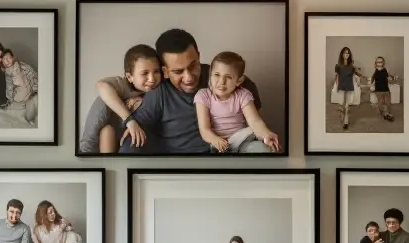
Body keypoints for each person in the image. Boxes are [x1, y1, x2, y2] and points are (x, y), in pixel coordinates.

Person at [118, 29, 267, 155]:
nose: (189, 77)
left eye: (193, 65)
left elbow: (248, 93)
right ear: (165, 71)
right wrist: (130, 122)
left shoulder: (219, 77)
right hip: (185, 167)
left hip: (230, 155)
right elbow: (138, 125)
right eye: (178, 71)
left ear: (198, 56)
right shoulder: (159, 91)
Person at [79, 44, 162, 154]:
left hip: (133, 142)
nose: (152, 79)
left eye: (156, 71)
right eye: (144, 73)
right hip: (107, 138)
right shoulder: (124, 85)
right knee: (106, 125)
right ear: (129, 77)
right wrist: (129, 120)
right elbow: (101, 85)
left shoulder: (158, 92)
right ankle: (87, 151)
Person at [194, 51, 280, 153]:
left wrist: (266, 134)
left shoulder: (243, 95)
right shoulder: (203, 96)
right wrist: (215, 140)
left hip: (242, 139)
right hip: (218, 144)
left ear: (238, 81)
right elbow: (204, 129)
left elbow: (255, 121)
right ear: (210, 75)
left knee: (263, 149)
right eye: (217, 75)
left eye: (229, 77)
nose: (222, 82)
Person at [2, 48, 39, 125]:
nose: (7, 60)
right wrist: (10, 100)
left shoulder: (23, 66)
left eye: (9, 58)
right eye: (5, 59)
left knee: (37, 102)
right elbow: (9, 90)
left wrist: (35, 90)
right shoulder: (7, 74)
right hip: (18, 101)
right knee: (13, 114)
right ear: (2, 62)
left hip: (30, 95)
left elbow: (34, 77)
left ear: (13, 57)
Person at [333, 46, 363, 130]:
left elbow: (354, 75)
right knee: (342, 104)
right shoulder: (338, 66)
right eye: (345, 53)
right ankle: (343, 116)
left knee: (347, 105)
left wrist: (358, 79)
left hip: (349, 85)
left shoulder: (351, 66)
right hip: (341, 85)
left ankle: (346, 121)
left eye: (348, 53)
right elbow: (337, 75)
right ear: (342, 54)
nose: (346, 54)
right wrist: (334, 84)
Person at [369, 55, 395, 123]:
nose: (380, 63)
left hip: (386, 90)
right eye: (378, 62)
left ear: (383, 63)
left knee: (388, 103)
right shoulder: (376, 72)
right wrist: (371, 85)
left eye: (381, 62)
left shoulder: (385, 70)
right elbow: (372, 79)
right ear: (376, 63)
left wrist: (391, 78)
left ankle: (387, 114)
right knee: (381, 103)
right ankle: (384, 113)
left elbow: (388, 77)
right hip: (378, 91)